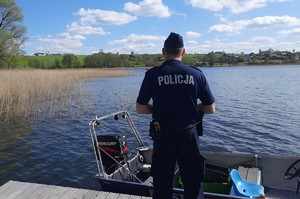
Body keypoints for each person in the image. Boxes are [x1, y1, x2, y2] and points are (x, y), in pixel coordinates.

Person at [136, 32, 215, 199]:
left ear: (164, 51)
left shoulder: (152, 74)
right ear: (183, 52)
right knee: (193, 181)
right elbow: (210, 108)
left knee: (162, 181)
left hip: (163, 135)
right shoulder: (197, 74)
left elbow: (140, 109)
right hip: (189, 135)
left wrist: (157, 109)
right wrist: (195, 107)